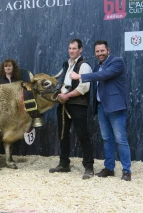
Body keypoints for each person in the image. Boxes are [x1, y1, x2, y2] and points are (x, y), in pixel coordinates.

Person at [70, 40, 131, 181]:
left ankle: (127, 171)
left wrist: (80, 76)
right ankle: (109, 168)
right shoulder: (97, 66)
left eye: (102, 51)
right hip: (102, 107)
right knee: (106, 139)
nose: (99, 54)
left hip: (116, 107)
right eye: (97, 51)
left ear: (108, 50)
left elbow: (104, 76)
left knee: (120, 139)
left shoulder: (117, 62)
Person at [49, 39, 94, 179]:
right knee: (63, 134)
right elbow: (62, 82)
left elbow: (84, 88)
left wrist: (67, 96)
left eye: (74, 48)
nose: (71, 51)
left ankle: (88, 166)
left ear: (81, 49)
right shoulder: (66, 64)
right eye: (69, 48)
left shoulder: (84, 65)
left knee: (82, 135)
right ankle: (64, 164)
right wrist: (57, 95)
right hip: (63, 104)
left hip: (77, 104)